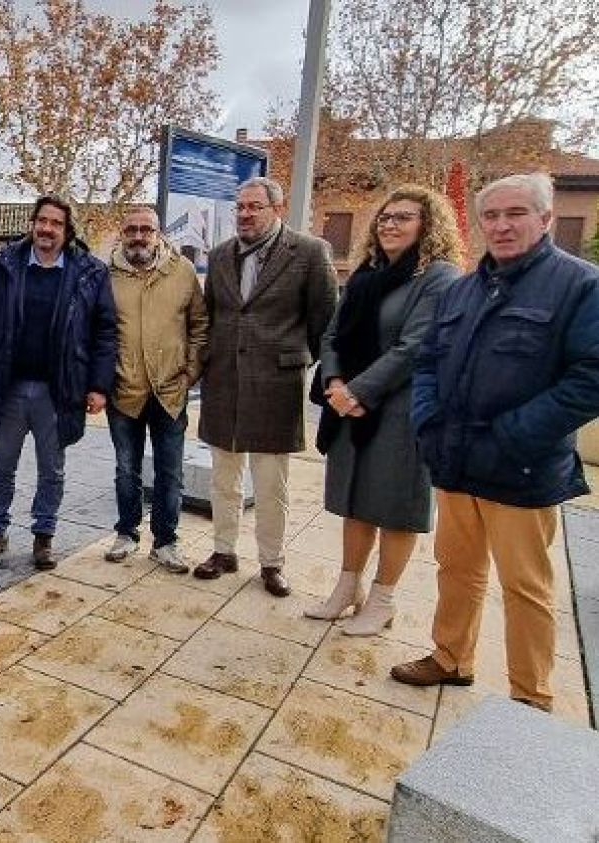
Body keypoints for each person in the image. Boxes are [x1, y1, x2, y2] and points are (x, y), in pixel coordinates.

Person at [391, 173, 599, 712]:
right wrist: (426, 422)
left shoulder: (580, 285)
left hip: (522, 468)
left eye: (516, 214)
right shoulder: (465, 287)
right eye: (492, 216)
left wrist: (513, 434)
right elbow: (431, 361)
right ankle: (450, 657)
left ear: (546, 219)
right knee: (457, 568)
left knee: (525, 587)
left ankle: (531, 697)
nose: (502, 226)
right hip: (455, 460)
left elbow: (590, 378)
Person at [305, 185, 461, 634]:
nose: (389, 224)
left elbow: (416, 346)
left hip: (402, 410)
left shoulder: (439, 277)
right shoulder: (366, 274)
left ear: (427, 225)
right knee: (356, 501)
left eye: (404, 217)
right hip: (349, 405)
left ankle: (383, 600)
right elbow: (332, 335)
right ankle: (347, 588)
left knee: (395, 506)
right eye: (385, 217)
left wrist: (357, 392)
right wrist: (335, 382)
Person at [195, 176, 338, 597]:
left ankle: (271, 563)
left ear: (277, 209)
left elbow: (324, 322)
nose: (245, 214)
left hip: (277, 385)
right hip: (223, 383)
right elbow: (213, 316)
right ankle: (223, 552)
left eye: (254, 206)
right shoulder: (220, 255)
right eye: (240, 207)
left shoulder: (310, 253)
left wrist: (298, 362)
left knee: (271, 483)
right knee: (224, 478)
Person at [0, 196, 117, 570]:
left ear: (67, 230)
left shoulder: (90, 272)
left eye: (56, 223)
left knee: (52, 470)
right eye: (41, 220)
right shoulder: (3, 266)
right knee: (0, 467)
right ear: (32, 223)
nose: (46, 228)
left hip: (59, 391)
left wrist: (99, 386)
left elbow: (105, 333)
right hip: (9, 387)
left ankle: (44, 536)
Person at [103, 206, 208, 573]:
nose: (138, 236)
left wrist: (190, 373)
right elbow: (97, 330)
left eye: (146, 229)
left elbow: (199, 324)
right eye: (131, 228)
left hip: (170, 390)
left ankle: (166, 542)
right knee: (126, 470)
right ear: (122, 233)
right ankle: (127, 533)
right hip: (124, 391)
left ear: (159, 233)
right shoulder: (107, 275)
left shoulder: (181, 271)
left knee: (170, 472)